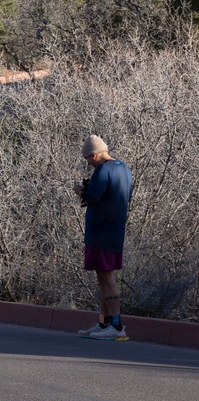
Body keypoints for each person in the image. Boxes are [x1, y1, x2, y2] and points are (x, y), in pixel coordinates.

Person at [73, 135, 133, 341]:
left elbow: (92, 198)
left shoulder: (103, 170)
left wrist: (81, 190)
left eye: (88, 158)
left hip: (101, 232)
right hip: (115, 231)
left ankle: (116, 326)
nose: (88, 162)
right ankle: (103, 323)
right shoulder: (124, 169)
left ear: (96, 154)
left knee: (107, 278)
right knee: (102, 278)